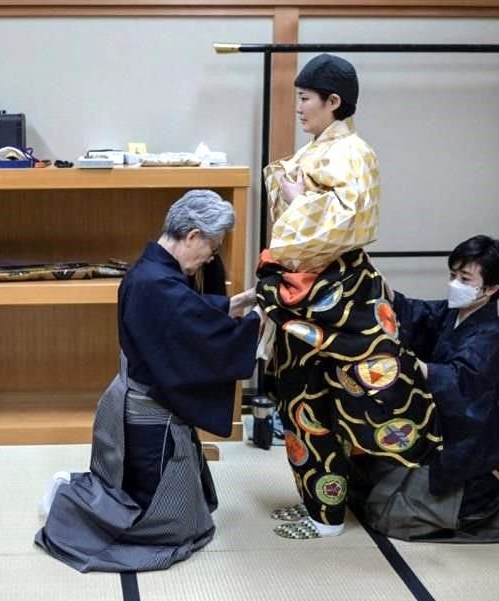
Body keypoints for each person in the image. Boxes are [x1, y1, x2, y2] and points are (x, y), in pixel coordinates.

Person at [256, 54, 440, 539]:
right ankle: (320, 509)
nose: (298, 108)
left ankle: (333, 512)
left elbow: (347, 220)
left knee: (349, 401)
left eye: (305, 99)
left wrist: (297, 201)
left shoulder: (353, 151)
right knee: (302, 405)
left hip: (340, 293)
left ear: (333, 102)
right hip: (303, 292)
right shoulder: (318, 149)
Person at [34, 190, 261, 572]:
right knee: (162, 528)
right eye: (212, 246)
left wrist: (242, 303)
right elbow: (198, 332)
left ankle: (79, 497)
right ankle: (70, 502)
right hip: (149, 418)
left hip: (136, 405)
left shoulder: (154, 272)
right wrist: (258, 323)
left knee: (185, 514)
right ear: (192, 236)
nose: (210, 257)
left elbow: (191, 315)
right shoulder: (157, 284)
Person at [347, 236, 499, 542]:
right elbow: (406, 310)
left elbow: (458, 382)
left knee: (388, 517)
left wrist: (410, 365)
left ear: (492, 288)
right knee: (360, 481)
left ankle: (469, 503)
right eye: (453, 275)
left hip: (468, 446)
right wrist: (360, 262)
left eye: (464, 278)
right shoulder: (450, 313)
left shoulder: (491, 336)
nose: (454, 283)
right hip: (439, 432)